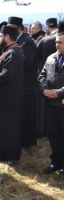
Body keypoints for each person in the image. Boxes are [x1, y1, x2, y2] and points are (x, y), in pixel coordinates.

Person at [0, 25, 23, 161]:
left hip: (9, 98)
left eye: (0, 36)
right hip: (6, 97)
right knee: (4, 127)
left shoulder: (13, 52)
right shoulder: (10, 50)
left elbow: (7, 75)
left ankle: (6, 156)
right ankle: (3, 154)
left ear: (7, 37)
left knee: (8, 128)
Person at [7, 16, 38, 148]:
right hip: (18, 86)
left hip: (26, 86)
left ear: (20, 28)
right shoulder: (16, 41)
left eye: (13, 28)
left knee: (26, 117)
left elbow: (27, 62)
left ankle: (26, 143)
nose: (10, 30)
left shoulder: (26, 41)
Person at [39, 23, 64, 176]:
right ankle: (56, 162)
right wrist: (44, 90)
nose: (57, 44)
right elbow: (41, 75)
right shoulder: (50, 58)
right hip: (51, 104)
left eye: (60, 42)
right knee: (54, 135)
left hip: (61, 102)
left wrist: (59, 93)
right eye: (56, 42)